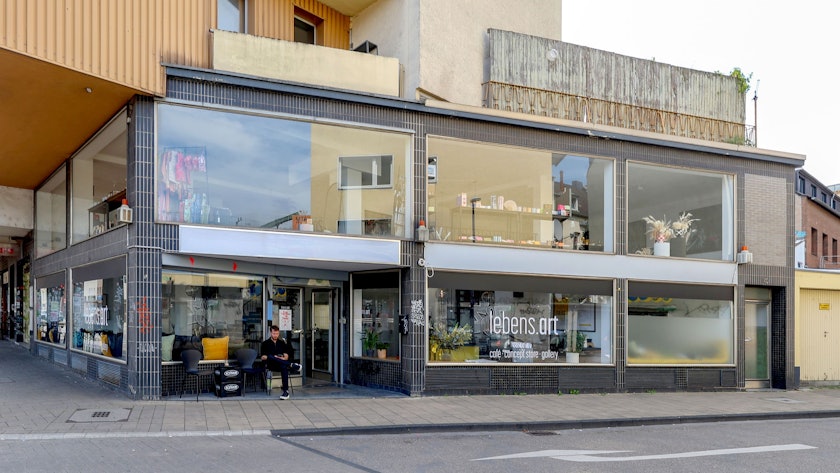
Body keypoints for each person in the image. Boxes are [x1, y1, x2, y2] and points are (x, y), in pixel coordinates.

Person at [260, 325, 301, 400]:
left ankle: (286, 392)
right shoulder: (265, 343)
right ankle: (291, 364)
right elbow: (262, 357)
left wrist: (280, 358)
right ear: (271, 333)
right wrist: (273, 357)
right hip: (270, 364)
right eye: (274, 333)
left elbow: (286, 357)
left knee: (284, 367)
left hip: (280, 364)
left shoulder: (281, 343)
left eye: (277, 333)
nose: (275, 335)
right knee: (270, 356)